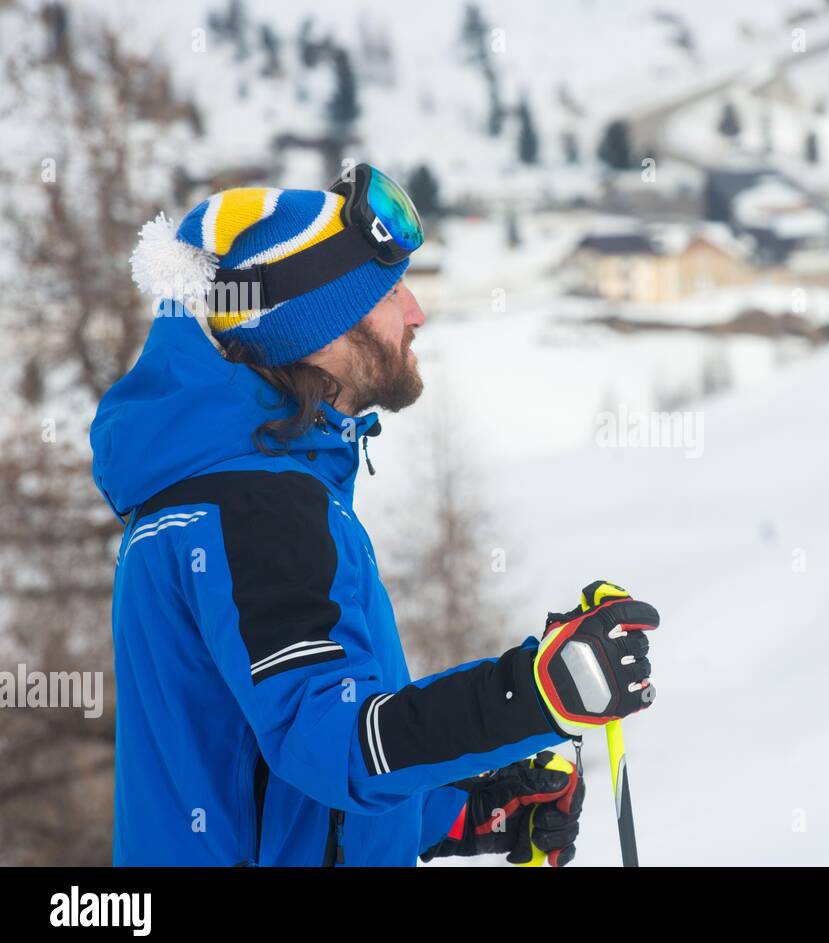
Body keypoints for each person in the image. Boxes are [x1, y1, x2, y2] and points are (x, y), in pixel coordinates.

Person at [89, 165, 659, 866]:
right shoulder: (253, 508)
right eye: (389, 292)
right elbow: (332, 744)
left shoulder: (219, 496)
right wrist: (535, 693)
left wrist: (463, 813)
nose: (415, 311)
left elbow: (277, 774)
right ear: (315, 331)